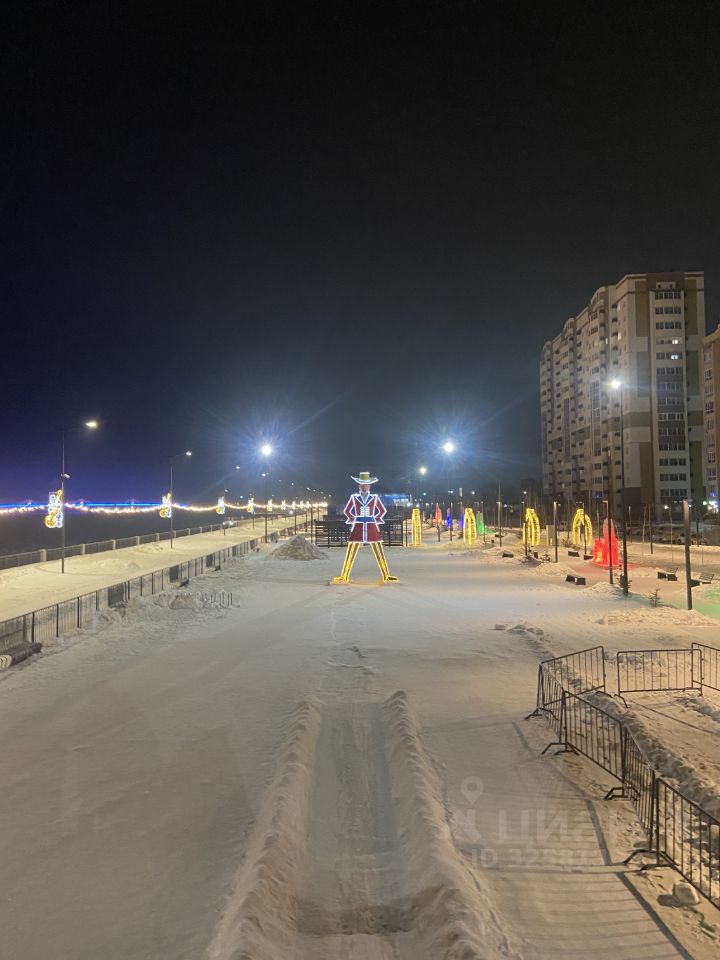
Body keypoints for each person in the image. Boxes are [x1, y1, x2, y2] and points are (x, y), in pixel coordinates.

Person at [332, 471, 398, 583]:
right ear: (359, 486)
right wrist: (353, 518)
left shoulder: (374, 498)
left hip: (371, 526)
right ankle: (344, 575)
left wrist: (376, 518)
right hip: (358, 526)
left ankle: (386, 575)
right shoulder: (354, 498)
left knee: (378, 549)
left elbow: (382, 510)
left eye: (366, 485)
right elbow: (347, 510)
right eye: (362, 485)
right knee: (351, 550)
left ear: (369, 486)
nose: (364, 487)